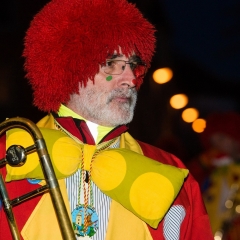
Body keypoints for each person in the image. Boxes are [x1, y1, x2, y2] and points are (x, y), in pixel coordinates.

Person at [0, 0, 213, 239]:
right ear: (67, 67)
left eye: (134, 65)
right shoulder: (5, 156)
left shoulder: (174, 174)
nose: (131, 79)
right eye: (112, 63)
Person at [188, 112, 240, 239]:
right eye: (213, 141)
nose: (217, 145)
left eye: (222, 138)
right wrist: (202, 164)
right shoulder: (212, 170)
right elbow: (185, 188)